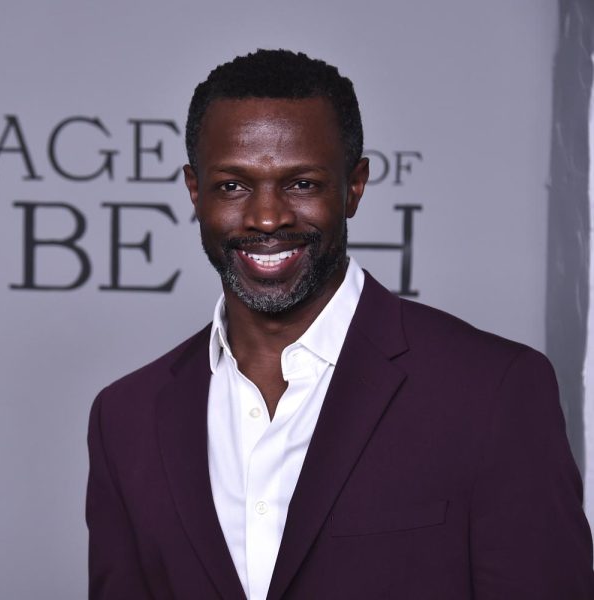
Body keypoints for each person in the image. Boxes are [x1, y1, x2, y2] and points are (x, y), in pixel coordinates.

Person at [86, 49, 594, 600]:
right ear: (194, 190)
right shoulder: (126, 418)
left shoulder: (492, 391)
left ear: (354, 186)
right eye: (233, 185)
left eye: (301, 184)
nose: (266, 217)